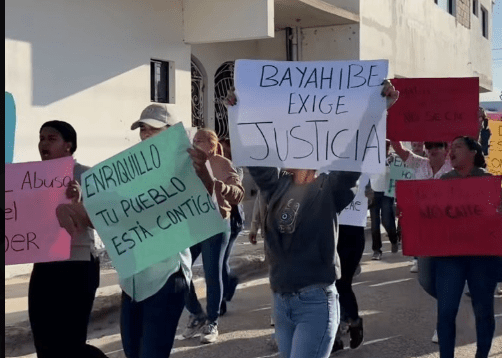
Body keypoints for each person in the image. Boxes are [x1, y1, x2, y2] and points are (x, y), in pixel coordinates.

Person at [226, 81, 398, 358]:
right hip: (281, 301)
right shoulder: (275, 185)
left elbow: (352, 155)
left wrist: (376, 110)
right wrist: (238, 112)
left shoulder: (330, 189)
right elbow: (253, 154)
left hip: (315, 301)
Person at [117, 104, 198, 358]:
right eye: (142, 128)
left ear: (171, 131)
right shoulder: (128, 168)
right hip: (132, 278)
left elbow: (204, 209)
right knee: (133, 352)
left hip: (166, 275)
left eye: (152, 128)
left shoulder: (187, 165)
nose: (145, 133)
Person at [28, 120, 108, 358]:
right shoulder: (28, 177)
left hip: (78, 266)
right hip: (44, 265)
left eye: (51, 139)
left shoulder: (86, 175)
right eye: (41, 138)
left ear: (68, 146)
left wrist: (80, 205)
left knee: (71, 343)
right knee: (43, 340)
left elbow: (105, 221)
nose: (43, 143)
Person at [434, 136, 501, 358]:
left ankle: (482, 354)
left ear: (473, 152)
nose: (451, 151)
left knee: (483, 310)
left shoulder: (490, 182)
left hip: (482, 257)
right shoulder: (444, 181)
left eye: (458, 147)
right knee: (445, 312)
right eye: (450, 148)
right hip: (450, 257)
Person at [182, 128, 245, 344]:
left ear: (212, 145)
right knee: (180, 271)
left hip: (217, 224)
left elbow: (239, 194)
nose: (196, 142)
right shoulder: (184, 163)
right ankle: (196, 313)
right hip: (191, 225)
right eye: (194, 139)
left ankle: (211, 321)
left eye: (201, 140)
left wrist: (222, 188)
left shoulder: (223, 164)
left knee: (212, 274)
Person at [331, 175, 370, 354]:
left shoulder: (367, 170)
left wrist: (372, 193)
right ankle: (335, 337)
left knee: (342, 283)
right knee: (329, 285)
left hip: (353, 232)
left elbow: (375, 196)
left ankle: (354, 321)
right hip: (330, 230)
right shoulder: (325, 168)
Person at [218, 137, 244, 315]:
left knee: (220, 262)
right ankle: (229, 281)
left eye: (225, 151)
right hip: (215, 220)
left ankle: (221, 302)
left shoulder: (236, 169)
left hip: (232, 221)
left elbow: (234, 193)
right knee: (219, 261)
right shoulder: (212, 165)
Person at [366, 140, 399, 260]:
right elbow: (366, 175)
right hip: (374, 193)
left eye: (386, 146)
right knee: (374, 223)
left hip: (387, 193)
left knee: (387, 220)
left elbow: (398, 174)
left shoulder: (393, 159)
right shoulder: (370, 159)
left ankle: (394, 239)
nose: (384, 149)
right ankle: (377, 250)